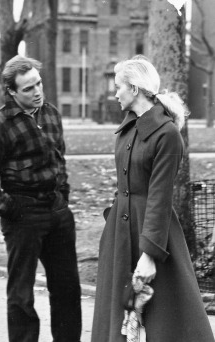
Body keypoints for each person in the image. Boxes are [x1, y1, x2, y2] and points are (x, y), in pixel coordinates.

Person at [91, 56, 215, 342]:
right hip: (121, 235)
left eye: (118, 86)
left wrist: (149, 255)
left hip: (152, 236)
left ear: (134, 89)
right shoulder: (127, 128)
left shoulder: (167, 135)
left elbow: (160, 198)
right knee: (120, 318)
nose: (115, 93)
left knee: (164, 322)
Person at [0, 55, 82, 342]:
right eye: (28, 89)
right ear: (11, 91)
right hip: (23, 218)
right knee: (21, 296)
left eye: (39, 84)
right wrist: (11, 208)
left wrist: (63, 198)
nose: (37, 92)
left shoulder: (52, 114)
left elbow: (60, 162)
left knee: (68, 291)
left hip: (58, 213)